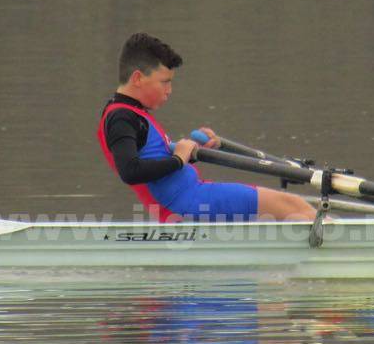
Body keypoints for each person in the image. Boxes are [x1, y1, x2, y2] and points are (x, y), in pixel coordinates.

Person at [98, 32, 317, 223]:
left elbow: (153, 159)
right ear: (137, 78)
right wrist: (178, 159)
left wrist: (194, 148)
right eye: (165, 81)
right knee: (294, 206)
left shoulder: (131, 114)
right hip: (189, 205)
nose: (170, 90)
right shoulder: (121, 118)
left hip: (193, 199)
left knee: (293, 207)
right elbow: (130, 172)